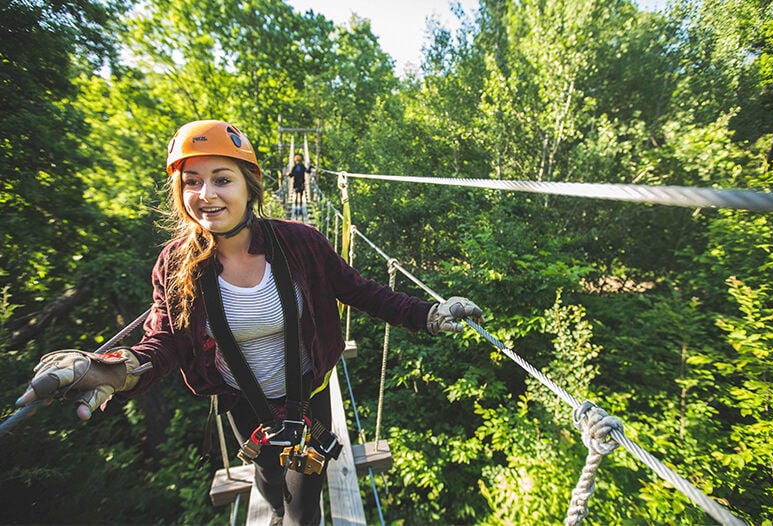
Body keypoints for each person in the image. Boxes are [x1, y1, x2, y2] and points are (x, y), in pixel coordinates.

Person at [16, 120, 484, 526]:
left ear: (249, 186)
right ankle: (274, 508)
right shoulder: (175, 265)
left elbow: (359, 290)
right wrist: (115, 370)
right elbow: (164, 343)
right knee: (267, 474)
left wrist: (428, 314)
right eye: (192, 182)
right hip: (244, 405)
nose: (206, 194)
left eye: (222, 179)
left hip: (309, 397)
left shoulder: (300, 244)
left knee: (306, 507)